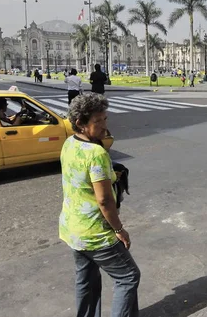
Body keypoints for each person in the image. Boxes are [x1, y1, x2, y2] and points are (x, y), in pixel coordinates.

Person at [59, 93, 140, 317]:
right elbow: (104, 200)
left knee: (87, 280)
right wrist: (119, 230)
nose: (105, 126)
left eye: (105, 118)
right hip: (95, 233)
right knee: (128, 276)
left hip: (72, 229)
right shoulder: (96, 153)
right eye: (98, 121)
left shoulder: (69, 143)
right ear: (80, 124)